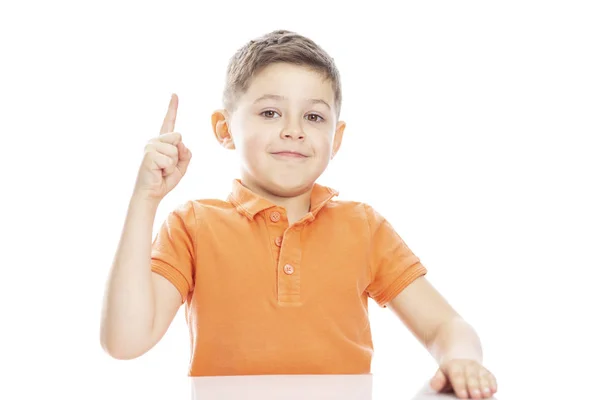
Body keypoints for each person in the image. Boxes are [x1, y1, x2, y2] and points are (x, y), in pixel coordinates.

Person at [100, 30, 498, 399]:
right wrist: (145, 200)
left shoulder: (364, 227)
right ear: (224, 129)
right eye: (271, 113)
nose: (294, 130)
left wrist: (461, 358)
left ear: (335, 139)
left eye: (314, 116)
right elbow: (124, 341)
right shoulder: (192, 225)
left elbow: (447, 326)